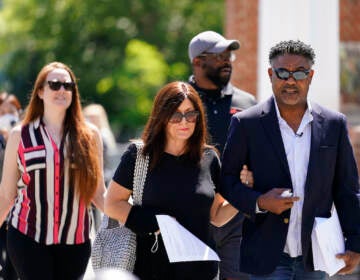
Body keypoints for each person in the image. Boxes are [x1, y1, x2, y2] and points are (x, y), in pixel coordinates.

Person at [220, 40, 360, 279]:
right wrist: (260, 201)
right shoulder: (247, 123)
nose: (291, 80)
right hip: (267, 255)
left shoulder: (333, 124)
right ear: (270, 74)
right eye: (282, 73)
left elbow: (347, 190)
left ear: (311, 75)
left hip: (316, 255)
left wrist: (355, 243)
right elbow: (226, 180)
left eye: (300, 73)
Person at [104, 81, 249, 280]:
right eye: (176, 114)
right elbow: (111, 204)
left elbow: (216, 216)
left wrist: (243, 193)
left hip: (200, 271)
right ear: (162, 117)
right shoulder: (139, 155)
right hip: (151, 269)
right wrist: (153, 221)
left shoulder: (209, 158)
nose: (184, 121)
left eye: (191, 114)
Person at [0, 62, 106, 280]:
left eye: (68, 86)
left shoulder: (90, 135)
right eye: (55, 85)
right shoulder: (20, 135)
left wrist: (131, 217)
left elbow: (97, 192)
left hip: (75, 240)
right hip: (28, 235)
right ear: (40, 91)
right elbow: (6, 194)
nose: (62, 90)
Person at [188, 30, 257, 280]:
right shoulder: (179, 99)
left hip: (235, 212)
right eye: (219, 56)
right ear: (198, 61)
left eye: (229, 55)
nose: (227, 61)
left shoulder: (248, 102)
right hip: (190, 212)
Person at [83, 103, 117, 232]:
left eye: (93, 117)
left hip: (101, 175)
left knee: (97, 212)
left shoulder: (102, 135)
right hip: (96, 176)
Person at [0, 92, 22, 280]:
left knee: (12, 268)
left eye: (11, 110)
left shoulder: (26, 137)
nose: (7, 115)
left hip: (18, 214)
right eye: (2, 111)